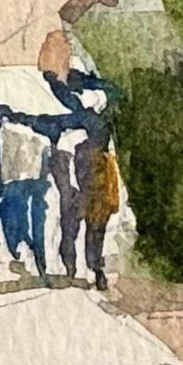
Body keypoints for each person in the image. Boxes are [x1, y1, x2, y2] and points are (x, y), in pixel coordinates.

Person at [0, 116, 52, 277]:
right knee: (35, 221)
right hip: (35, 183)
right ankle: (38, 258)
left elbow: (5, 160)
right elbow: (46, 166)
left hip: (13, 182)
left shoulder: (7, 133)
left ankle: (17, 247)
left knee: (13, 218)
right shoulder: (42, 139)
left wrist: (0, 181)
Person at [80, 131, 122, 293]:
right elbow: (87, 183)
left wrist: (114, 203)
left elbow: (114, 182)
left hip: (104, 205)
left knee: (96, 234)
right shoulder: (92, 157)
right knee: (93, 234)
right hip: (95, 204)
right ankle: (96, 268)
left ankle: (95, 266)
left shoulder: (108, 158)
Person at [48, 123, 87, 283]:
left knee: (69, 235)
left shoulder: (61, 157)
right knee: (70, 235)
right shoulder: (67, 156)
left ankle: (70, 266)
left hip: (71, 200)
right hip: (74, 199)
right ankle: (70, 266)